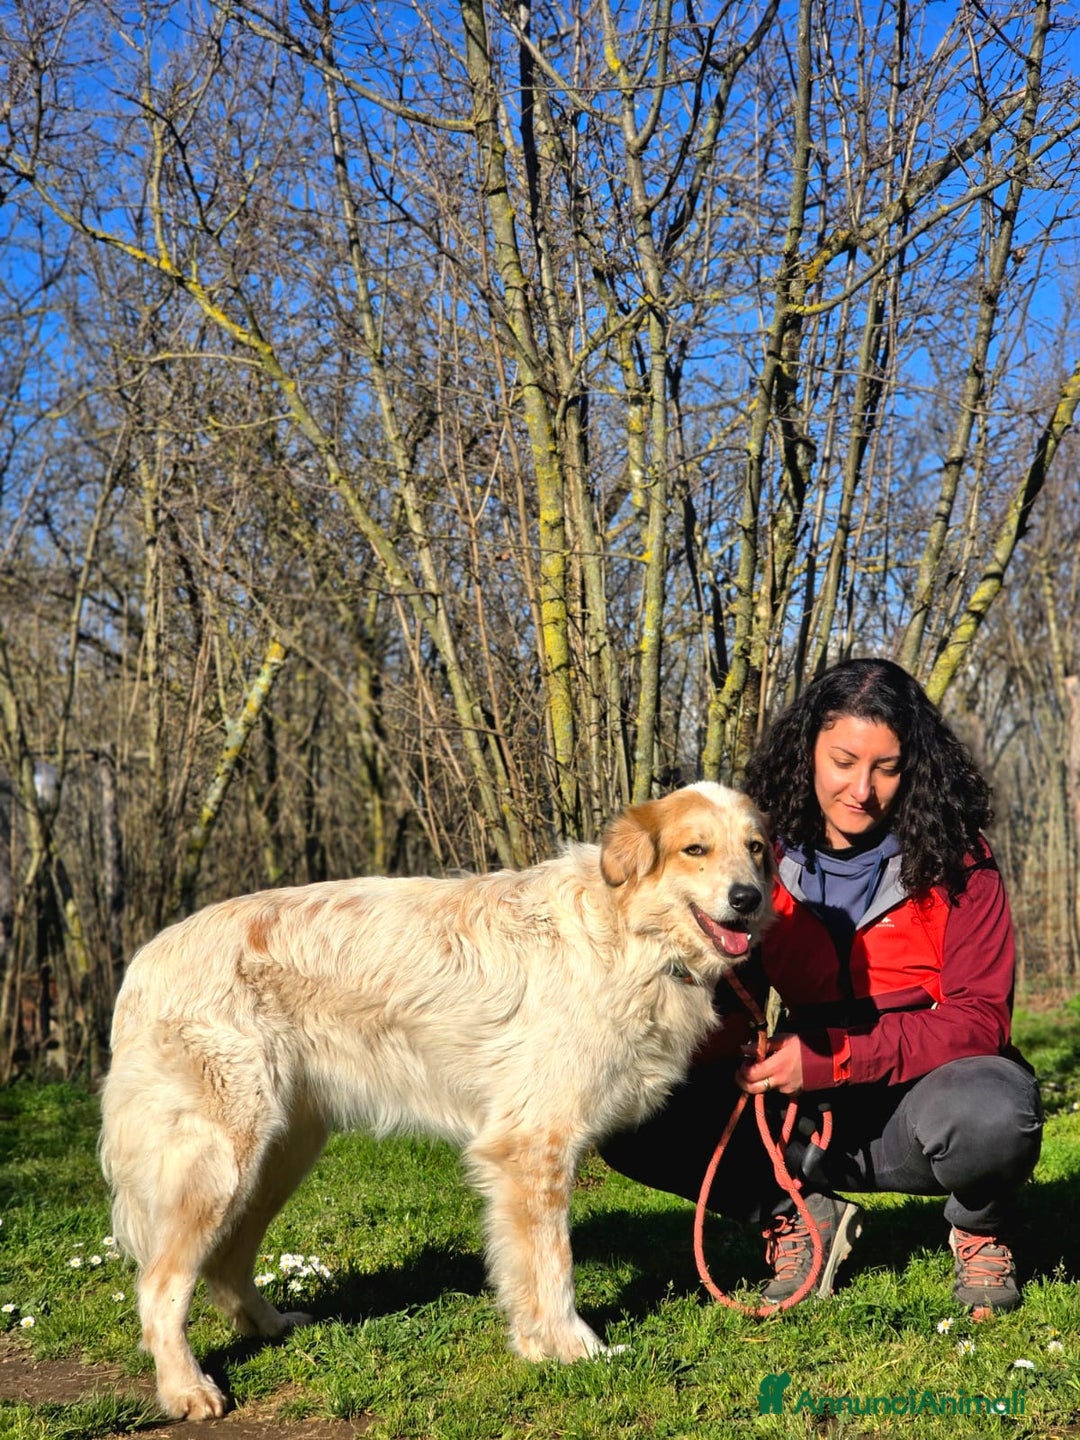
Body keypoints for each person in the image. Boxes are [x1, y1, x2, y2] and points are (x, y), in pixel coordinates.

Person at [600, 657, 1043, 1312]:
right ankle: (801, 1214)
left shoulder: (961, 859)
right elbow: (723, 1002)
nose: (860, 789)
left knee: (995, 1112)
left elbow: (980, 1020)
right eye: (843, 760)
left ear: (913, 766)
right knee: (629, 1108)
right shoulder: (758, 857)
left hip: (928, 1101)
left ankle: (979, 1231)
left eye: (885, 767)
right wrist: (731, 1047)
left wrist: (835, 1057)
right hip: (807, 1118)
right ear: (808, 747)